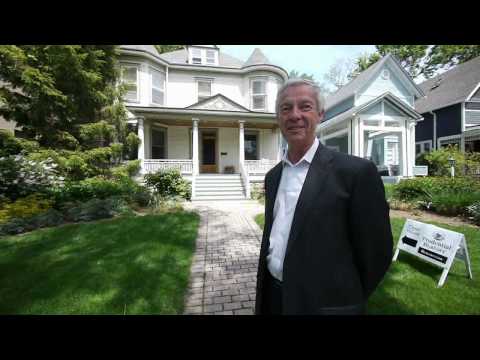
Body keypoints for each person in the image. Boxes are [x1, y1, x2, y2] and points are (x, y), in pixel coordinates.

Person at [255, 79, 393, 315]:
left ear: (320, 115)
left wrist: (347, 299)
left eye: (305, 106)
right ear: (278, 118)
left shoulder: (355, 173)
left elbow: (376, 252)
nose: (294, 115)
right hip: (274, 299)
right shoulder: (273, 176)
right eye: (286, 108)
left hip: (325, 306)